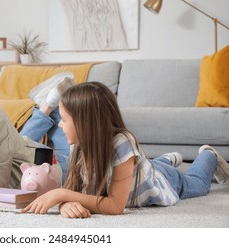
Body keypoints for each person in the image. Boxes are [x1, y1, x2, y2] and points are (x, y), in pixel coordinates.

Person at [21, 81, 229, 218]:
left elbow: (114, 206)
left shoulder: (122, 143)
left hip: (163, 181)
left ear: (86, 123)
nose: (59, 125)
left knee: (199, 184)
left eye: (64, 120)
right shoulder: (79, 144)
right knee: (148, 165)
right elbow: (76, 191)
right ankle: (164, 159)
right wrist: (66, 203)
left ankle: (207, 155)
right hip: (140, 171)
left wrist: (60, 195)